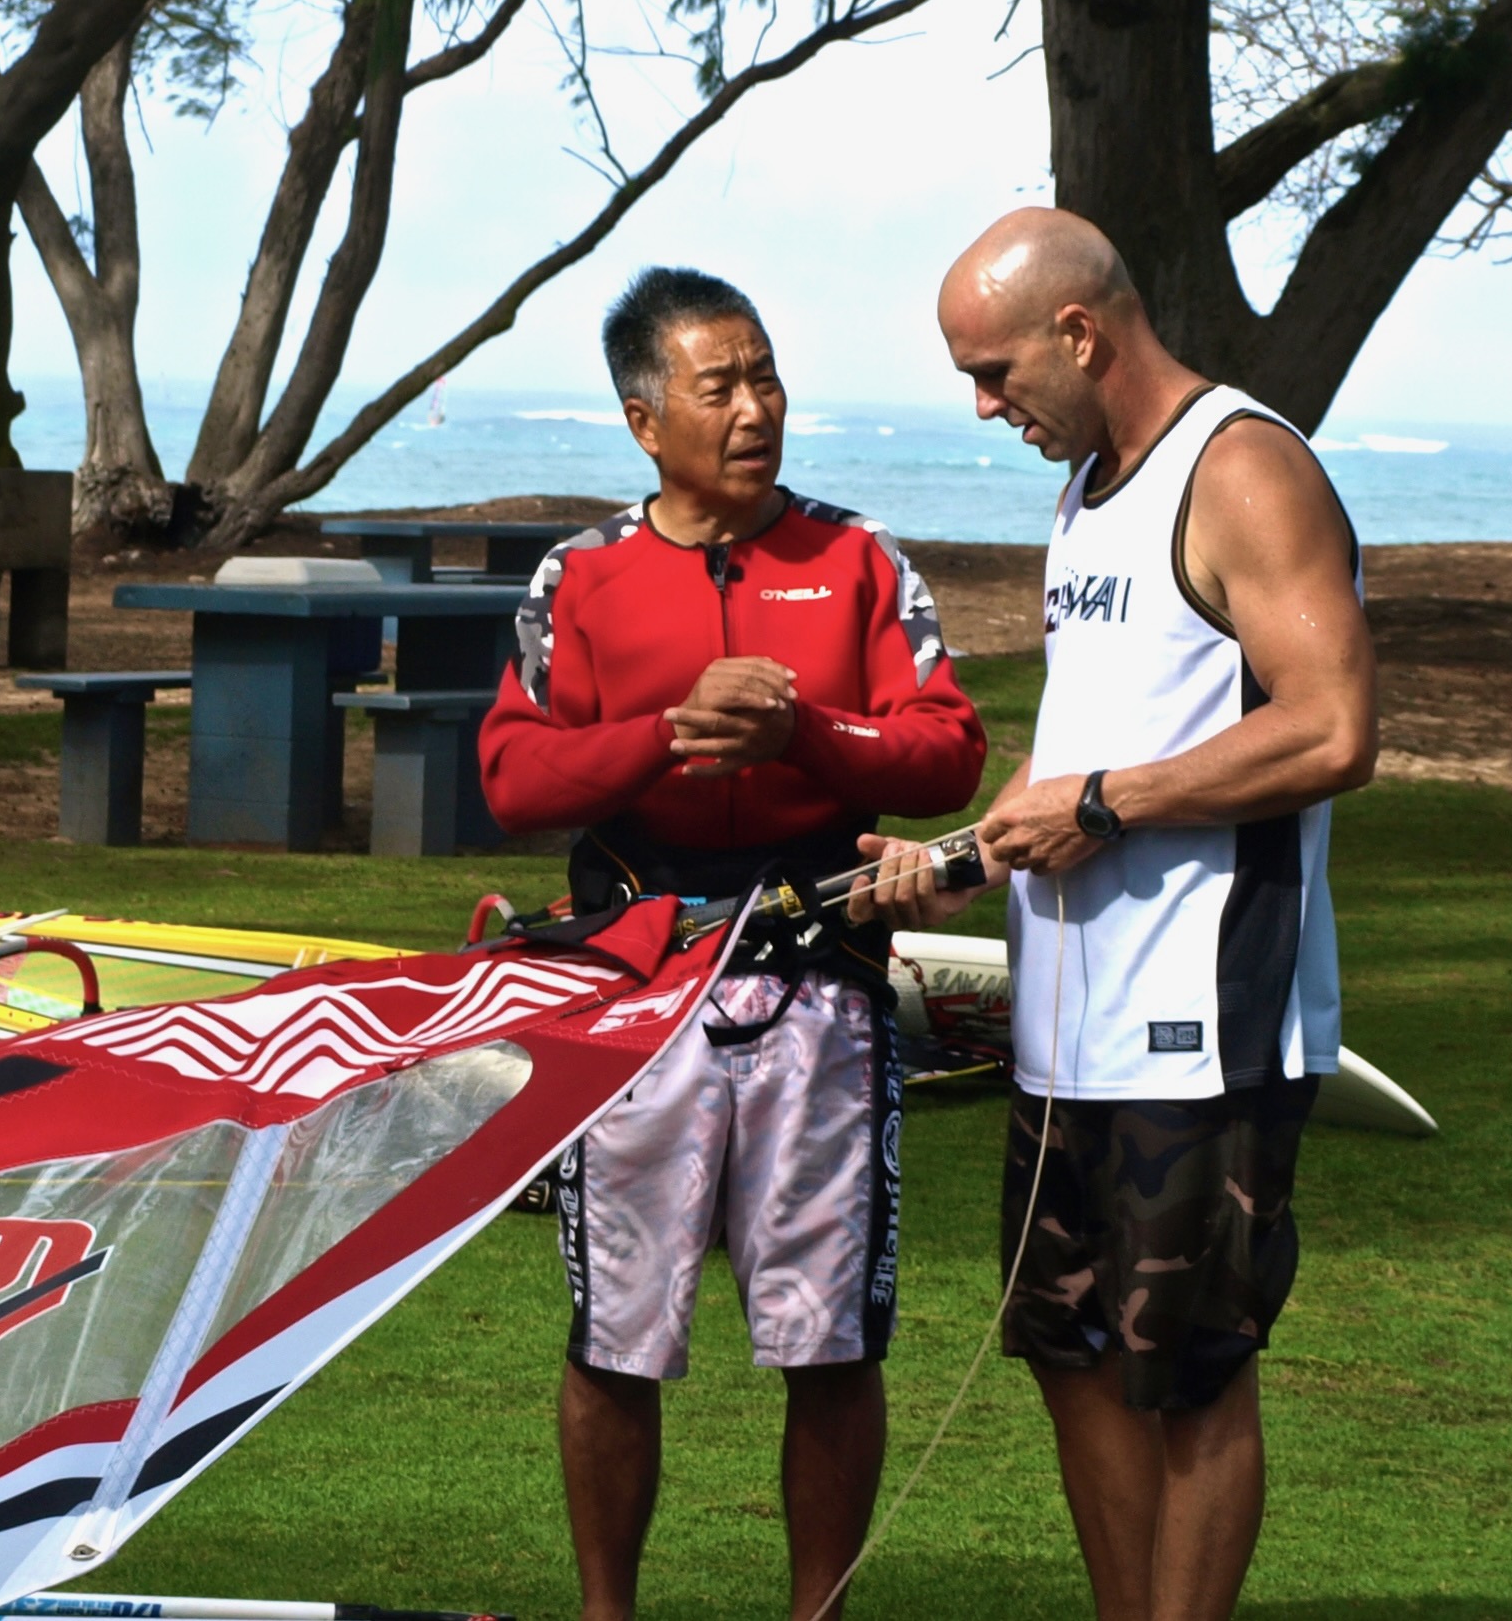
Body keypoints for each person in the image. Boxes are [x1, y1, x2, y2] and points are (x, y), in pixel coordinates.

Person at [851, 208, 1378, 1621]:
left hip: (1203, 1025)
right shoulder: (1089, 482)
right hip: (1060, 1027)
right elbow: (1089, 734)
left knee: (1188, 1365)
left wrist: (1101, 807)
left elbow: (1332, 730)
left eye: (994, 369)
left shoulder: (1244, 469)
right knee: (1066, 1348)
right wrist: (963, 853)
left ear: (1079, 333)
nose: (981, 404)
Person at [477, 266, 989, 1621]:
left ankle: (814, 1610)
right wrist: (667, 731)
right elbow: (513, 779)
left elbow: (946, 748)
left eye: (766, 376)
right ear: (646, 418)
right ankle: (608, 1613)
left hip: (819, 985)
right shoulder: (580, 576)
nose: (757, 407)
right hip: (637, 994)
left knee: (827, 1339)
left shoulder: (857, 557)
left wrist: (804, 734)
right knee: (616, 1337)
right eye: (722, 385)